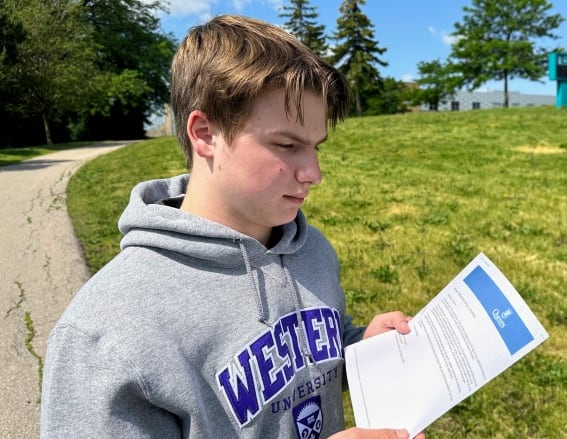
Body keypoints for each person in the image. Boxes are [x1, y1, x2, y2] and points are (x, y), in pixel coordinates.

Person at [40, 15, 423, 439]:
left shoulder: (311, 248)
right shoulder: (107, 333)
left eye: (315, 148)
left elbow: (311, 360)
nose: (313, 173)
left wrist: (360, 346)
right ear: (205, 133)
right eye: (287, 145)